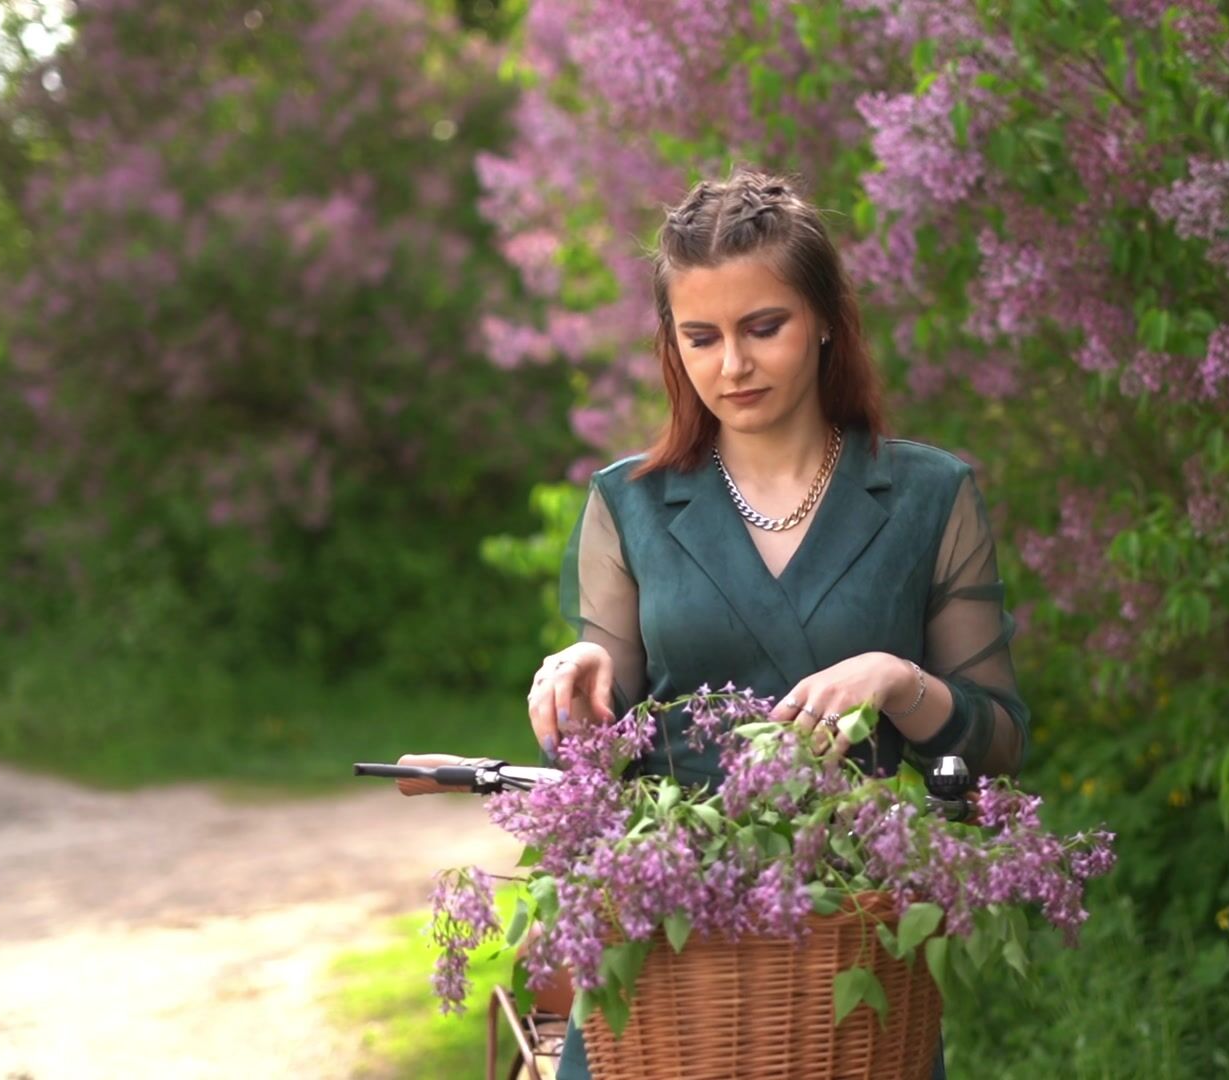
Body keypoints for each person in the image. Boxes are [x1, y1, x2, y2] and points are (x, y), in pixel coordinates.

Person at [400, 167, 1031, 1079]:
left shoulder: (931, 496)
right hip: (665, 952)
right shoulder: (632, 503)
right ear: (673, 345)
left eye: (761, 328)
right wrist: (577, 675)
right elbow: (605, 722)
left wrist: (902, 680)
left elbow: (1000, 744)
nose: (731, 366)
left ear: (823, 320)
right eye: (701, 337)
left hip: (851, 959)